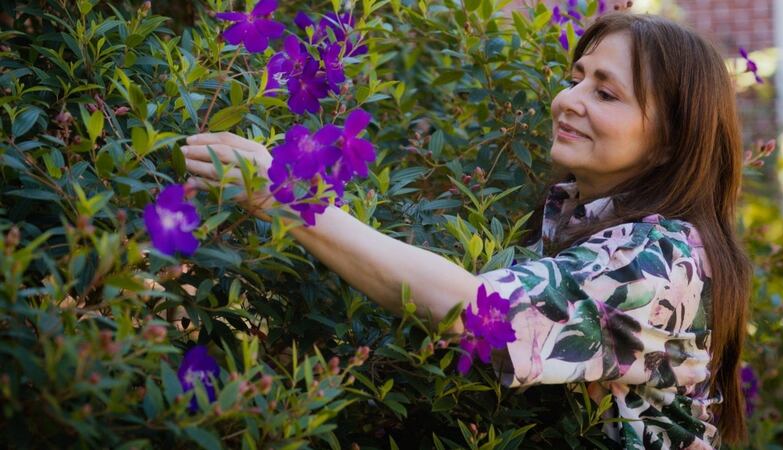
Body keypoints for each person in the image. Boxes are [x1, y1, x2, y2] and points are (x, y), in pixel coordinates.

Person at [180, 11, 752, 449]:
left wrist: (283, 193)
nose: (567, 101)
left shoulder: (659, 262)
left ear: (670, 141)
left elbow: (472, 309)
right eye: (575, 78)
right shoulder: (580, 218)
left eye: (605, 93)